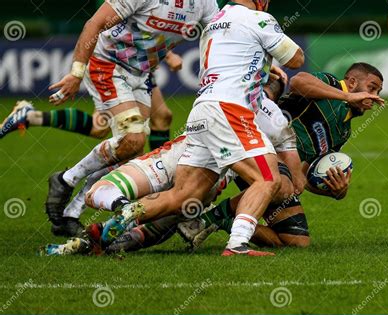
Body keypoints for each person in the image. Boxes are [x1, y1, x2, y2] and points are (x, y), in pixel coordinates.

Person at [93, 0, 305, 256]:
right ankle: (237, 245)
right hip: (230, 109)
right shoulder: (258, 19)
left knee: (183, 196)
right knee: (267, 178)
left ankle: (129, 212)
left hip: (202, 109)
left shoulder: (215, 21)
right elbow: (295, 59)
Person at [41, 0, 220, 236]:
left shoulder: (205, 4)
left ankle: (70, 214)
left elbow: (221, 38)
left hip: (141, 74)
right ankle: (67, 179)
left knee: (128, 150)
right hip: (108, 65)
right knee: (133, 139)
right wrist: (76, 73)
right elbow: (93, 24)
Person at [180, 62, 385, 250]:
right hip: (257, 146)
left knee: (296, 241)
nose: (375, 97)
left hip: (285, 170)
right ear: (352, 82)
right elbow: (298, 82)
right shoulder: (332, 84)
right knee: (283, 185)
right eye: (372, 88)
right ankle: (209, 218)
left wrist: (335, 190)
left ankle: (224, 220)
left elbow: (302, 179)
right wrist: (347, 96)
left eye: (378, 91)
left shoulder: (343, 132)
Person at [0, 51, 183, 151]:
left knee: (161, 117)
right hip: (118, 63)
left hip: (136, 64)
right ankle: (155, 178)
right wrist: (168, 55)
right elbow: (134, 26)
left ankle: (29, 116)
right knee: (106, 129)